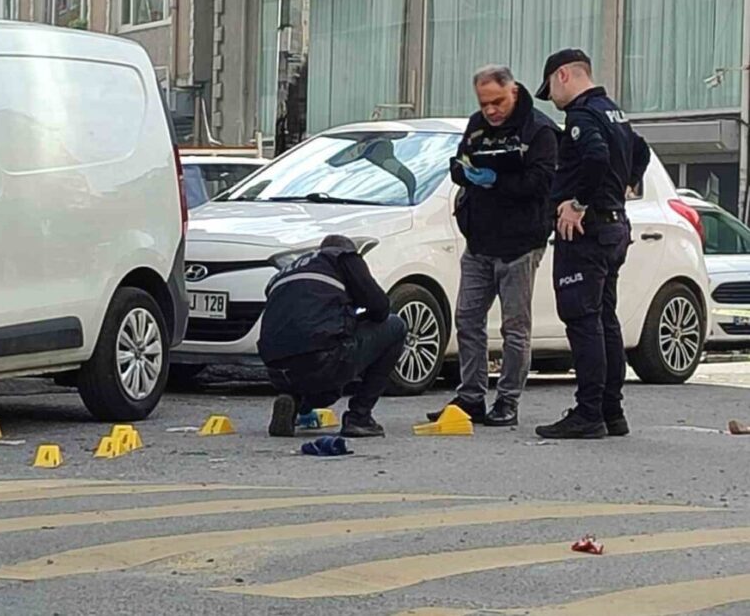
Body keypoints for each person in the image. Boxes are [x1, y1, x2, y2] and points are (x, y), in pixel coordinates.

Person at [426, 65, 558, 428]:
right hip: (480, 241)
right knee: (467, 318)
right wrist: (464, 172)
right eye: (484, 104)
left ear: (513, 91)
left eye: (497, 102)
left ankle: (508, 401)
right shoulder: (478, 125)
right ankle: (470, 396)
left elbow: (541, 183)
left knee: (515, 327)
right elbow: (458, 163)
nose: (491, 111)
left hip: (519, 244)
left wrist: (496, 180)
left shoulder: (540, 130)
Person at [532, 48, 650, 439]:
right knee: (604, 319)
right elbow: (642, 149)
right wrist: (627, 184)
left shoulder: (583, 115)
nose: (553, 99)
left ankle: (588, 414)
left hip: (587, 233)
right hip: (614, 228)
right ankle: (611, 411)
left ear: (563, 75)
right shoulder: (614, 111)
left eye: (550, 88)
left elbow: (596, 157)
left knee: (583, 321)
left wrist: (577, 204)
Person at [259, 235, 407, 438]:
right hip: (322, 359)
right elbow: (380, 307)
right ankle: (359, 417)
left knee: (325, 381)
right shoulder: (343, 257)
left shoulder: (287, 270)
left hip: (276, 370)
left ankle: (294, 402)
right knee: (395, 326)